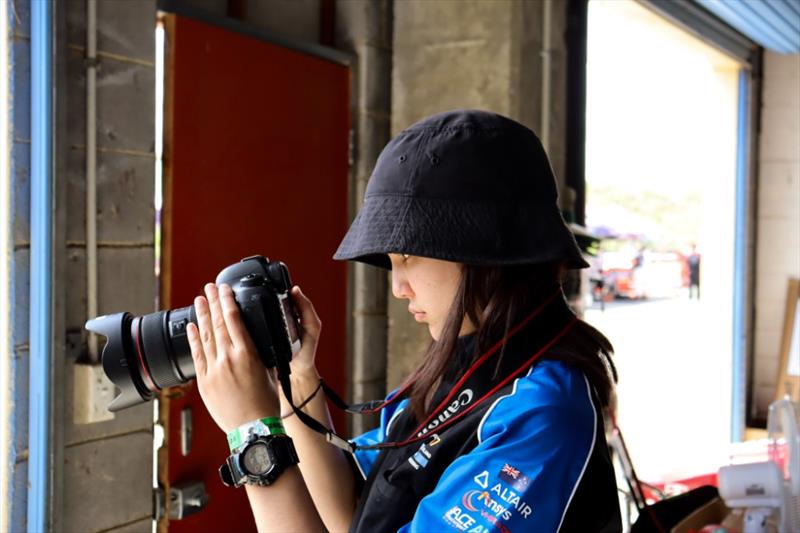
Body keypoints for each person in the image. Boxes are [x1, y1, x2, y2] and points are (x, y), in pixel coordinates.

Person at [185, 110, 621, 532]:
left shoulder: (540, 413)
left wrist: (253, 436)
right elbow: (353, 513)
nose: (398, 287)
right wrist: (299, 378)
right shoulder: (469, 361)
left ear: (481, 253)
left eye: (407, 257)